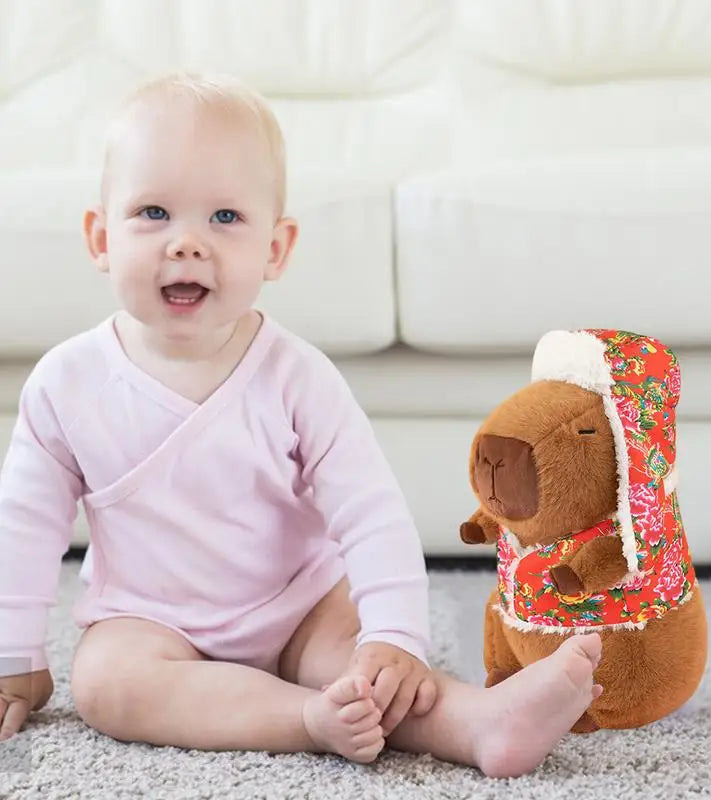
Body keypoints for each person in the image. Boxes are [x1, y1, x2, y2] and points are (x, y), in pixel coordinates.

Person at [0, 73, 602, 778]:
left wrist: (394, 636)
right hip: (151, 622)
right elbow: (24, 527)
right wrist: (15, 658)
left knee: (369, 668)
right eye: (154, 212)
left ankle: (478, 724)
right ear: (101, 237)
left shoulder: (296, 375)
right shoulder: (66, 384)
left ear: (276, 250)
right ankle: (304, 721)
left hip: (300, 606)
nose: (187, 243)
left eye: (225, 218)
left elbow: (368, 509)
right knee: (105, 683)